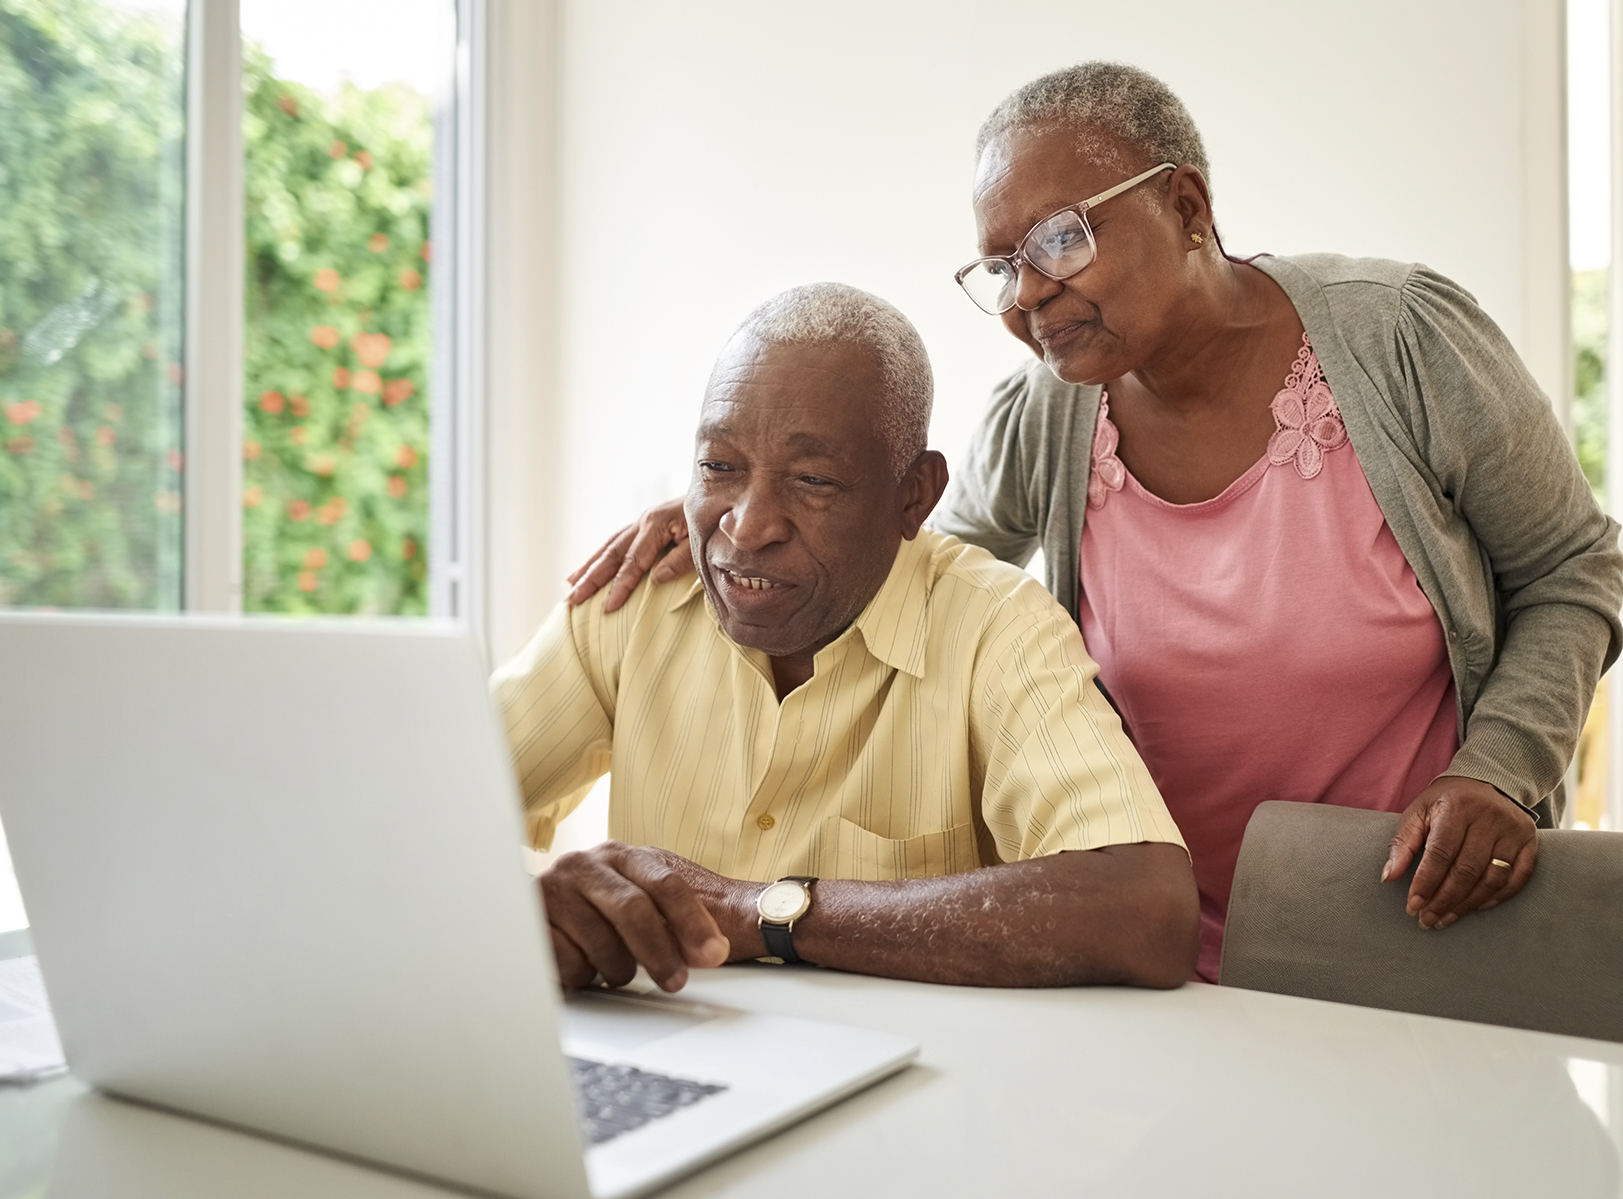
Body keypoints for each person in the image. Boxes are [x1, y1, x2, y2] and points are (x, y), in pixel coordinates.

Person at [567, 65, 1623, 982]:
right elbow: (917, 566)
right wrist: (738, 498)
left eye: (1060, 241)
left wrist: (1497, 770)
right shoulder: (1051, 414)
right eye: (1000, 266)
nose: (1027, 295)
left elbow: (1572, 569)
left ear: (1188, 206)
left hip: (1413, 917)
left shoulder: (1400, 340)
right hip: (1143, 944)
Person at [496, 283, 1197, 992]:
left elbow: (1146, 912)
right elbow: (415, 819)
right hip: (671, 1065)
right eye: (718, 467)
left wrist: (757, 912)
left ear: (914, 495)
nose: (747, 525)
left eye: (812, 480)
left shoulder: (997, 628)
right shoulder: (632, 602)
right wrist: (546, 903)